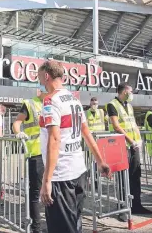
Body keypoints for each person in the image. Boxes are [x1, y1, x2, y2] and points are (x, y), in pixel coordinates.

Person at [38, 60, 111, 233]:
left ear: (47, 76)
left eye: (40, 77)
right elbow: (86, 133)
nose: (40, 81)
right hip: (78, 172)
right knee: (74, 224)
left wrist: (47, 180)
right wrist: (100, 161)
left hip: (61, 176)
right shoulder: (74, 100)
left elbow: (54, 140)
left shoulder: (50, 101)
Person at [105, 82, 152, 219]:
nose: (132, 94)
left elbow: (133, 124)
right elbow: (116, 126)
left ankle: (136, 205)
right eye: (131, 91)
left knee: (135, 175)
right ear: (124, 91)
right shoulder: (112, 105)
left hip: (133, 146)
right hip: (121, 146)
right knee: (122, 178)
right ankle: (122, 208)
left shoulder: (129, 106)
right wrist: (131, 141)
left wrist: (139, 139)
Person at [12, 88, 47, 233]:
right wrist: (18, 133)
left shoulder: (54, 103)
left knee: (53, 192)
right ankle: (36, 228)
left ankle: (51, 224)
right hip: (36, 154)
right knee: (35, 194)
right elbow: (16, 123)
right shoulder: (30, 103)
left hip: (52, 154)